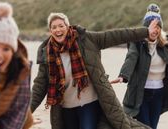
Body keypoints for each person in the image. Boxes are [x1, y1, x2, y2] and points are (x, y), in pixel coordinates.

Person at [30, 12, 159, 129]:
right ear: (50, 30)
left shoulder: (87, 40)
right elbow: (40, 86)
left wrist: (145, 32)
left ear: (68, 27)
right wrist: (26, 113)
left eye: (61, 26)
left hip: (89, 104)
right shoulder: (47, 53)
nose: (58, 30)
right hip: (65, 109)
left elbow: (117, 35)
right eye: (54, 27)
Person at [110, 3, 168, 129]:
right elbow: (131, 58)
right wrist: (123, 76)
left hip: (159, 93)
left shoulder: (164, 42)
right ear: (145, 28)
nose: (155, 30)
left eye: (158, 27)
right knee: (144, 127)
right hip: (141, 93)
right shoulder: (137, 44)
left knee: (152, 126)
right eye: (152, 26)